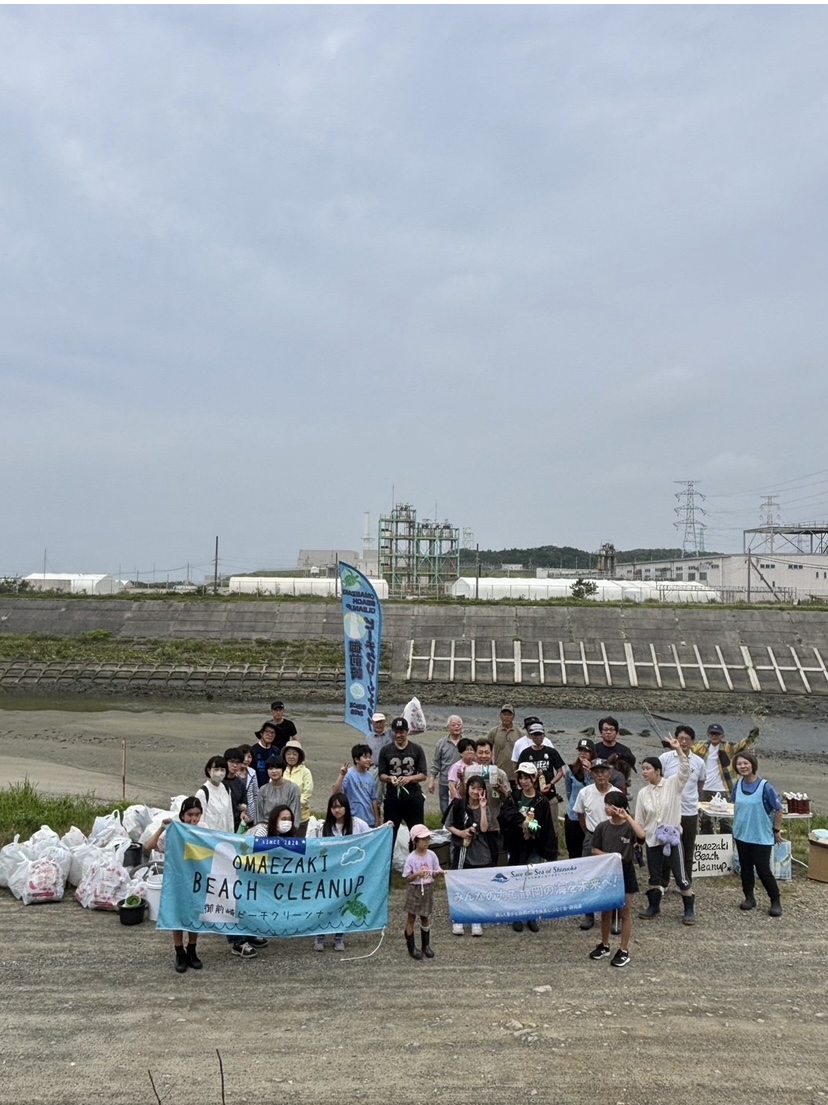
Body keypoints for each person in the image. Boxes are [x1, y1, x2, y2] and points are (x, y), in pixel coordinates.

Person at [634, 738, 695, 925]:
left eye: (648, 768)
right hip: (652, 839)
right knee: (655, 875)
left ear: (658, 770)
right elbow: (639, 819)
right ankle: (654, 906)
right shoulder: (643, 793)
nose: (644, 772)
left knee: (680, 875)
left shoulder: (672, 785)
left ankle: (689, 910)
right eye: (643, 768)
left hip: (672, 839)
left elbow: (685, 772)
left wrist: (678, 750)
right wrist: (639, 840)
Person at [145, 797, 205, 973]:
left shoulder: (204, 829)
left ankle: (192, 949)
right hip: (177, 878)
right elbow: (149, 846)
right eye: (189, 815)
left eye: (197, 815)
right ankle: (179, 952)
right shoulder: (174, 831)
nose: (193, 819)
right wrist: (162, 828)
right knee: (177, 913)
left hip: (196, 878)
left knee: (195, 913)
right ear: (182, 815)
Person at [588, 791, 646, 968]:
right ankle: (605, 944)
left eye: (610, 805)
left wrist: (627, 816)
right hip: (608, 871)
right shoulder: (602, 827)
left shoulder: (629, 827)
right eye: (605, 804)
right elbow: (594, 849)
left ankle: (624, 949)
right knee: (606, 912)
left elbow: (642, 836)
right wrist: (610, 856)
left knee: (625, 912)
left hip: (625, 871)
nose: (606, 807)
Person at [499, 762, 557, 933]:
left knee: (532, 882)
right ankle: (517, 915)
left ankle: (531, 915)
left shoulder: (542, 801)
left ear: (534, 779)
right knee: (517, 880)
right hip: (516, 846)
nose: (524, 781)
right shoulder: (514, 797)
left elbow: (547, 828)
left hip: (534, 847)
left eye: (527, 778)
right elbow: (504, 815)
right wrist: (521, 821)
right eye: (521, 778)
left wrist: (549, 852)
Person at [314, 793, 372, 952]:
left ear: (346, 807)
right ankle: (320, 935)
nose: (337, 810)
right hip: (329, 874)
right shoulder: (323, 827)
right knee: (325, 904)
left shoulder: (358, 824)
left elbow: (373, 836)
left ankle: (339, 936)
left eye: (340, 806)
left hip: (349, 873)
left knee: (343, 903)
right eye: (333, 807)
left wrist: (386, 827)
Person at [731, 751, 784, 917]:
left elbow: (778, 809)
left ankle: (775, 901)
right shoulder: (737, 785)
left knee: (762, 869)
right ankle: (749, 898)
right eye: (739, 764)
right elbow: (736, 804)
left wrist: (776, 830)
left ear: (753, 765)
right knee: (745, 868)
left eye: (746, 763)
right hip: (741, 834)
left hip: (761, 836)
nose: (743, 766)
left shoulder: (765, 787)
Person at [573, 758, 622, 931]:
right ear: (591, 773)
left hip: (613, 837)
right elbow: (580, 815)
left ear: (610, 773)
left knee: (613, 878)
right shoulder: (585, 792)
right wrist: (588, 832)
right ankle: (589, 915)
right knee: (588, 876)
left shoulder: (617, 793)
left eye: (603, 771)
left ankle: (615, 917)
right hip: (592, 836)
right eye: (597, 772)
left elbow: (623, 816)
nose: (600, 775)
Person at [659, 726, 705, 888]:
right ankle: (663, 882)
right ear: (675, 740)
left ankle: (685, 882)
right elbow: (659, 780)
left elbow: (700, 782)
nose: (684, 742)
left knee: (687, 848)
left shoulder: (699, 762)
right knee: (666, 846)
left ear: (693, 742)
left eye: (687, 739)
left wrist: (696, 799)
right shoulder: (665, 758)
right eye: (681, 738)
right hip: (668, 811)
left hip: (689, 811)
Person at [446, 774, 491, 937]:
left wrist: (483, 807)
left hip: (480, 851)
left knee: (477, 886)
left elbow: (485, 828)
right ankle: (458, 918)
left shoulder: (484, 806)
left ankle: (476, 919)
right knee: (460, 884)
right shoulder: (458, 804)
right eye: (473, 788)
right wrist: (461, 833)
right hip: (461, 850)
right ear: (468, 788)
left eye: (479, 789)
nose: (476, 791)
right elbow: (448, 825)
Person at [694, 724, 757, 832]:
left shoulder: (728, 747)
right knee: (705, 820)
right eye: (712, 733)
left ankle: (726, 844)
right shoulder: (701, 746)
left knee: (725, 820)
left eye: (717, 734)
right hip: (704, 788)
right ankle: (708, 845)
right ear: (708, 735)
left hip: (723, 789)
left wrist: (751, 738)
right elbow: (687, 748)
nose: (714, 736)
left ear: (722, 736)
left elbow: (741, 746)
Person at [377, 717, 428, 839]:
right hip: (393, 797)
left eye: (401, 732)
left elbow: (423, 775)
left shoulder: (417, 749)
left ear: (407, 732)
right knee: (389, 834)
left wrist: (409, 779)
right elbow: (381, 775)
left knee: (417, 833)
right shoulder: (385, 750)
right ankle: (388, 857)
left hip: (413, 796)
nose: (398, 735)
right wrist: (390, 779)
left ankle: (417, 857)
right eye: (396, 732)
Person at [402, 824, 444, 959]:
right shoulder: (411, 858)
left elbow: (435, 872)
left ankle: (426, 945)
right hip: (415, 889)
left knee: (425, 916)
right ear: (415, 841)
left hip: (428, 888)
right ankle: (411, 947)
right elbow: (407, 878)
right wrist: (417, 875)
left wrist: (440, 873)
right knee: (412, 917)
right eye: (423, 839)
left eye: (428, 839)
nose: (426, 842)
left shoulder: (432, 855)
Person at [513, 722, 565, 825]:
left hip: (549, 794)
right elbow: (518, 773)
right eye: (535, 735)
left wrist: (551, 783)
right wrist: (521, 788)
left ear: (544, 735)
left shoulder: (551, 752)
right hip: (530, 796)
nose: (538, 737)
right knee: (531, 824)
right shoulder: (525, 753)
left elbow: (560, 771)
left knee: (552, 825)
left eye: (540, 734)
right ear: (531, 736)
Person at [473, 738, 510, 865]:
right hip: (474, 823)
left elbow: (508, 801)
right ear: (475, 754)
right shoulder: (469, 772)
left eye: (487, 752)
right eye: (480, 752)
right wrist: (462, 781)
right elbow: (461, 797)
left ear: (492, 754)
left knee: (493, 858)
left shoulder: (500, 774)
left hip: (494, 824)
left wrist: (501, 791)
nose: (484, 756)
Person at [333, 743, 381, 827]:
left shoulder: (370, 776)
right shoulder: (349, 774)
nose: (369, 760)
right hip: (353, 820)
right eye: (365, 757)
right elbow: (336, 793)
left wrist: (376, 819)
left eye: (370, 757)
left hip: (369, 820)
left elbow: (373, 799)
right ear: (356, 760)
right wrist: (342, 775)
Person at [564, 739, 596, 860]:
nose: (583, 754)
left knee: (590, 850)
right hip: (573, 815)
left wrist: (591, 772)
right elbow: (568, 791)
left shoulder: (597, 770)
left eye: (586, 751)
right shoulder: (570, 769)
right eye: (581, 751)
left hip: (591, 816)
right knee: (574, 850)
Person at [428, 715, 464, 814]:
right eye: (453, 725)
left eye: (459, 724)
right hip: (445, 782)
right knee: (445, 810)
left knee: (461, 809)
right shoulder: (441, 743)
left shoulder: (466, 744)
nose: (456, 727)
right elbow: (436, 763)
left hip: (462, 783)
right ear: (448, 727)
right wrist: (432, 779)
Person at [255, 756, 302, 828]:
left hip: (286, 828)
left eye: (277, 768)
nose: (274, 771)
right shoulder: (263, 790)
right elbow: (259, 815)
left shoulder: (293, 788)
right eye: (270, 768)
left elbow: (295, 813)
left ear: (283, 769)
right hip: (266, 829)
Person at [195, 756, 234, 833]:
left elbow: (229, 815)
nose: (219, 773)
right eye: (216, 769)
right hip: (210, 838)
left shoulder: (226, 789)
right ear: (209, 770)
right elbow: (199, 821)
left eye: (222, 770)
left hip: (224, 836)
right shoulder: (203, 793)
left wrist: (231, 834)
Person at [283, 741, 313, 835]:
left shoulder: (305, 772)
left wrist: (294, 807)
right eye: (288, 754)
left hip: (301, 817)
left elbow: (307, 793)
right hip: (282, 816)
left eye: (294, 754)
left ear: (299, 756)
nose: (291, 756)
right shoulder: (280, 769)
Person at [222, 748, 253, 831]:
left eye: (238, 762)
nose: (235, 765)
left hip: (235, 824)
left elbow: (244, 803)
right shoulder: (219, 782)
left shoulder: (240, 783)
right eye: (232, 761)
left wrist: (243, 810)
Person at [488, 704, 522, 778]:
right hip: (497, 773)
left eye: (509, 715)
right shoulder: (493, 732)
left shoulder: (520, 733)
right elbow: (487, 752)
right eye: (504, 714)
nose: (506, 717)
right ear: (500, 716)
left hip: (515, 774)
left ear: (513, 716)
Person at [446, 737, 479, 802]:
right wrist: (457, 799)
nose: (469, 752)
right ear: (461, 753)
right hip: (459, 799)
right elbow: (451, 785)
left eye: (471, 750)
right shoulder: (457, 766)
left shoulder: (477, 766)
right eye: (466, 750)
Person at [250, 723, 279, 787]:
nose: (270, 735)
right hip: (256, 786)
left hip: (273, 787)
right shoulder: (253, 750)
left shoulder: (276, 751)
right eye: (267, 732)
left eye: (272, 733)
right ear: (261, 733)